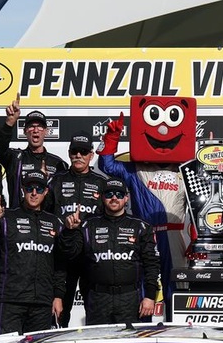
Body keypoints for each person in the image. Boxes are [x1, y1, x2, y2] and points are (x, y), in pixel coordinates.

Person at [97, 113, 190, 307]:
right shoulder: (135, 168)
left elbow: (202, 203)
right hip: (144, 234)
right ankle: (141, 324)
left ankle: (177, 324)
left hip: (173, 236)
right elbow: (107, 165)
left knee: (176, 286)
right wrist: (112, 137)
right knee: (141, 285)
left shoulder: (185, 169)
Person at [0, 168, 68, 334]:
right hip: (10, 301)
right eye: (30, 188)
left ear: (46, 191)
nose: (34, 193)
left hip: (42, 302)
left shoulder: (55, 222)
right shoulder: (6, 217)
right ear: (23, 189)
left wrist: (58, 295)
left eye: (39, 189)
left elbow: (60, 263)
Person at [63, 177, 161, 325]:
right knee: (99, 338)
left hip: (129, 298)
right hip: (98, 298)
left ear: (126, 198)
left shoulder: (141, 227)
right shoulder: (88, 225)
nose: (114, 198)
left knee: (128, 339)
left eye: (119, 194)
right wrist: (70, 231)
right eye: (109, 194)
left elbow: (152, 264)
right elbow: (70, 255)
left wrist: (150, 296)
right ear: (102, 197)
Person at [46, 132, 110, 327]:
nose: (78, 156)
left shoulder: (101, 183)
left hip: (91, 256)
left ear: (91, 155)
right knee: (59, 310)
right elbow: (44, 215)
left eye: (83, 151)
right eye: (75, 151)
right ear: (69, 153)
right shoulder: (56, 181)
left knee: (96, 311)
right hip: (63, 256)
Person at [0, 97, 69, 207]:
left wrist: (47, 181)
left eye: (40, 127)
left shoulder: (58, 164)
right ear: (25, 131)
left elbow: (63, 197)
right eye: (31, 127)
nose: (36, 130)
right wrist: (9, 123)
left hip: (47, 217)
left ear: (46, 131)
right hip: (18, 215)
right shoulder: (15, 158)